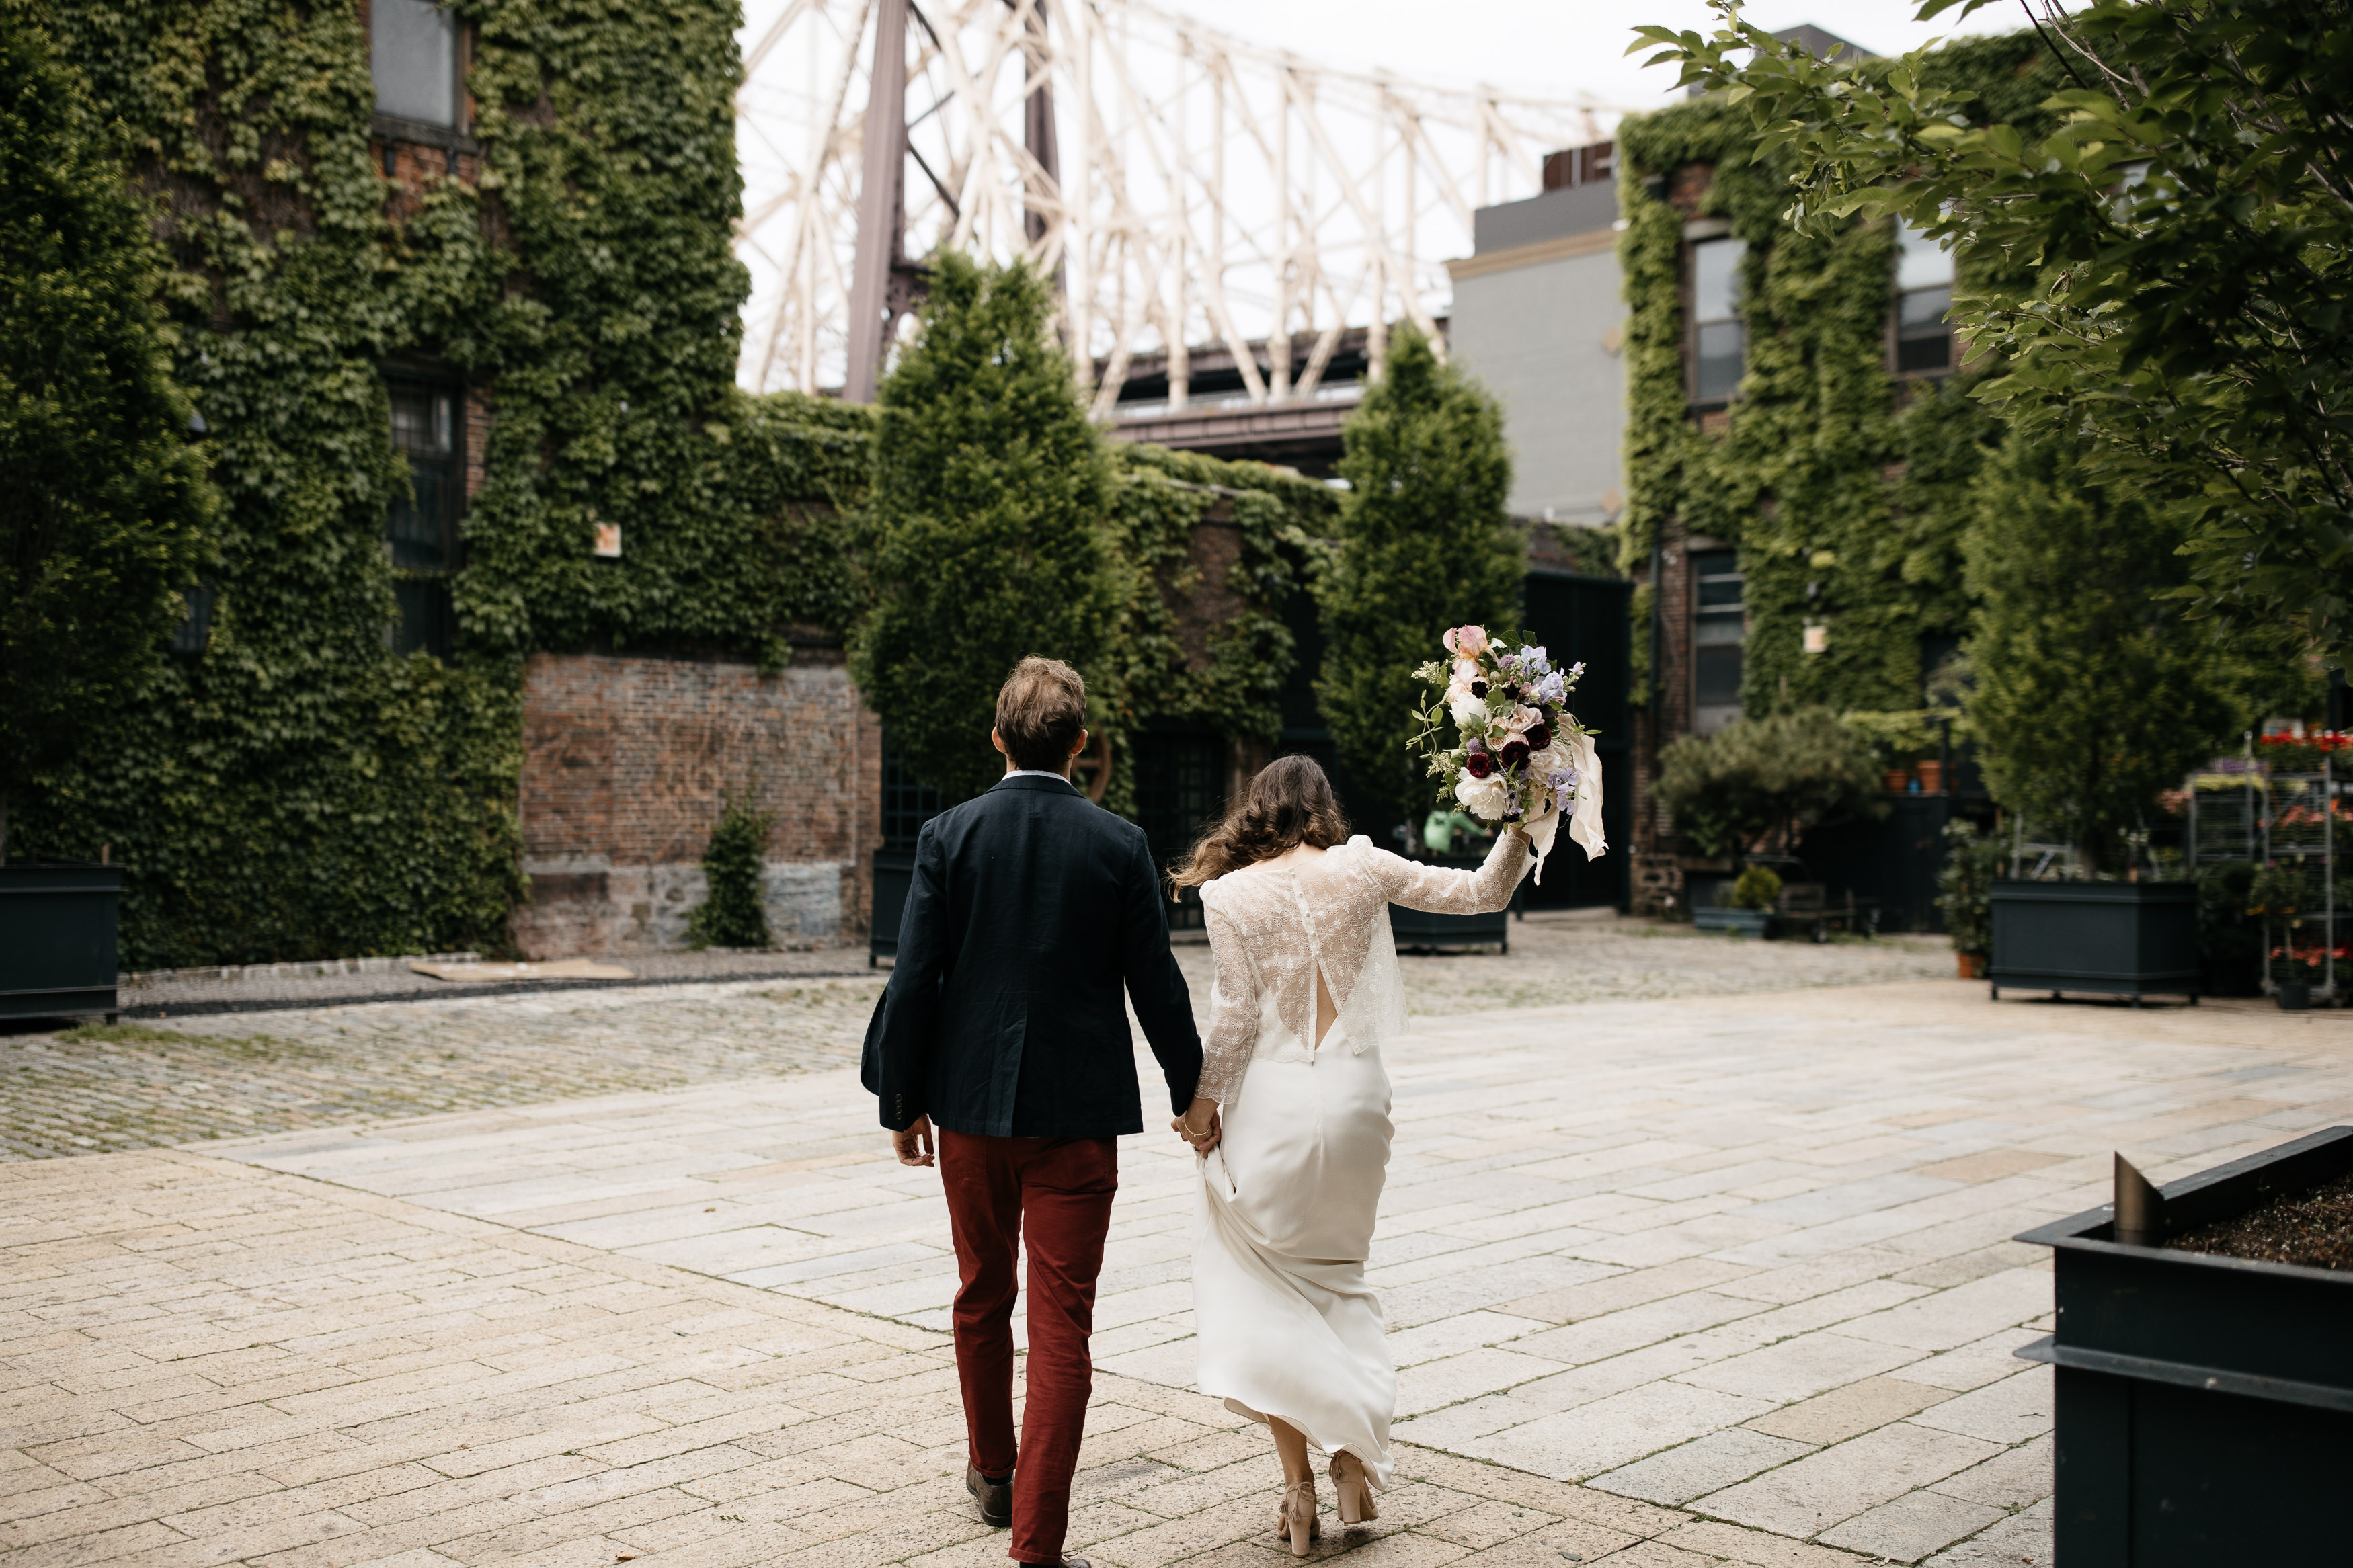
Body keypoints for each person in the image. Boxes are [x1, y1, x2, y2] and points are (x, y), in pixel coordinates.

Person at [863, 657, 1205, 1568]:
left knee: (982, 1291)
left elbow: (913, 980)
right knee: (1063, 1326)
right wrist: (1190, 1089)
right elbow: (1157, 985)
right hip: (1077, 1116)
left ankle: (990, 1469)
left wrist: (903, 1100)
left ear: (997, 738)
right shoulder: (1120, 842)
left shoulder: (948, 835)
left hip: (968, 1110)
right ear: (1081, 745)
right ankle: (1037, 1549)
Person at [1168, 756, 1534, 1555]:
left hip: (1272, 1102)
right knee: (1337, 1276)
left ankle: (1298, 1487)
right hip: (1358, 1096)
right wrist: (1522, 816)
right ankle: (1348, 1459)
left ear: (1257, 812)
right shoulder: (1364, 866)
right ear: (1322, 807)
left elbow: (1233, 1016)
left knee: (1263, 1282)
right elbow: (1484, 891)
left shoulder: (1227, 894)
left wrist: (1199, 1106)